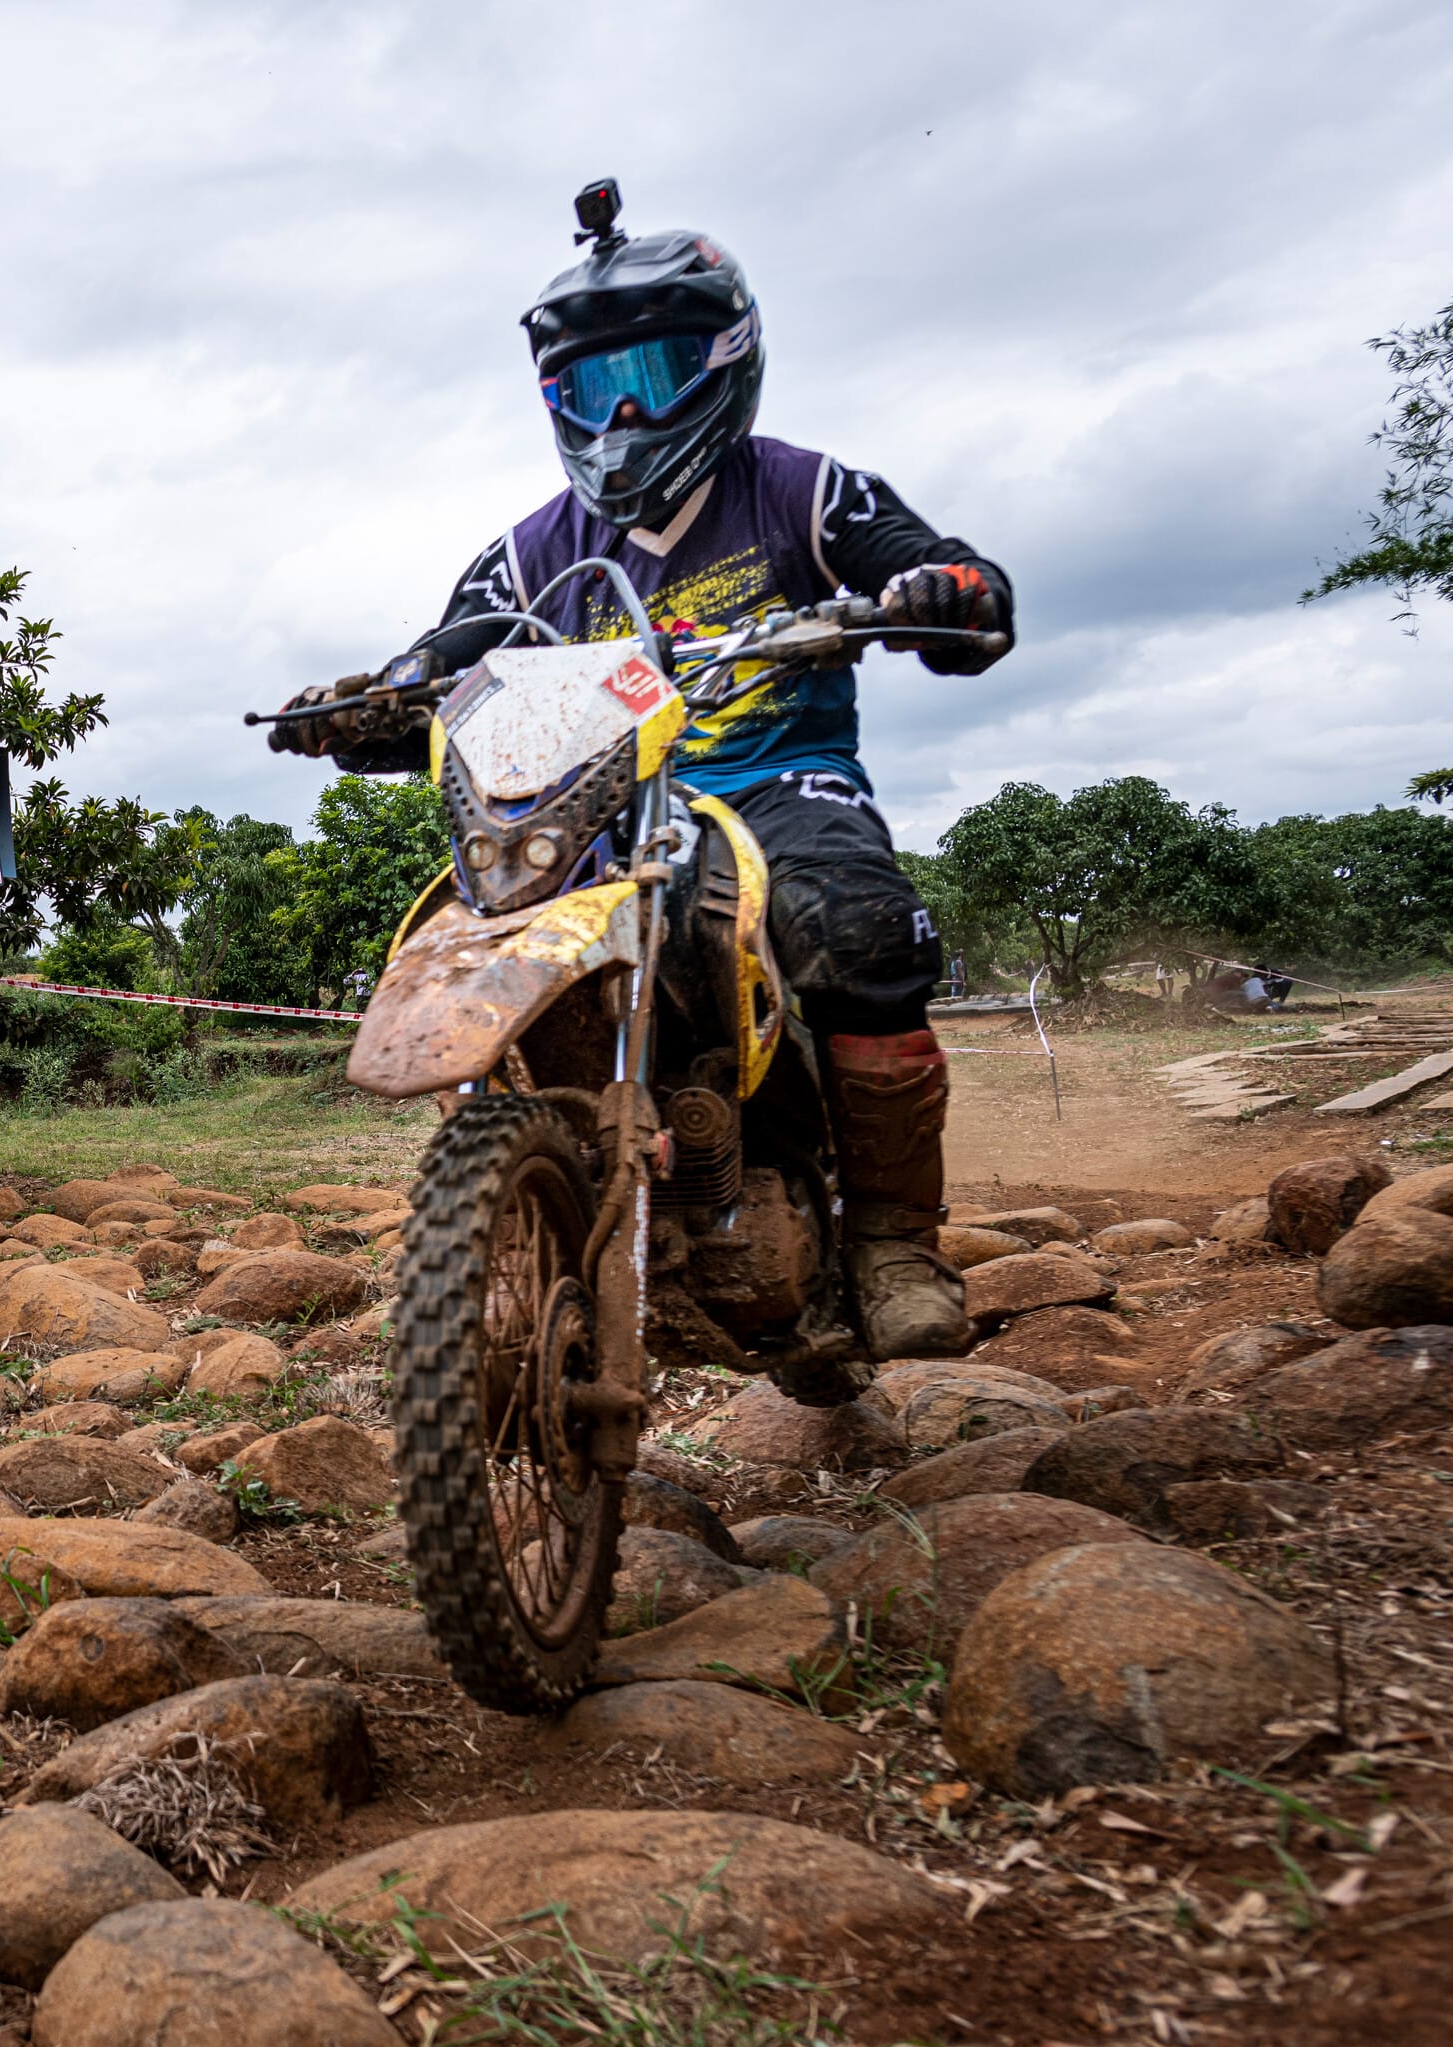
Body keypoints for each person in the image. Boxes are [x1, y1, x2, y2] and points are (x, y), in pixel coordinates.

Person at [275, 183, 1013, 1360]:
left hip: (778, 783)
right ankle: (534, 1213)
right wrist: (364, 704)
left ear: (725, 362)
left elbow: (940, 575)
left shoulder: (803, 490)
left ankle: (889, 1246)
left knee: (856, 925)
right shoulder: (530, 550)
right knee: (477, 923)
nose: (621, 411)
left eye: (653, 374)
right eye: (588, 388)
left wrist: (940, 593)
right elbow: (453, 654)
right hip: (593, 812)